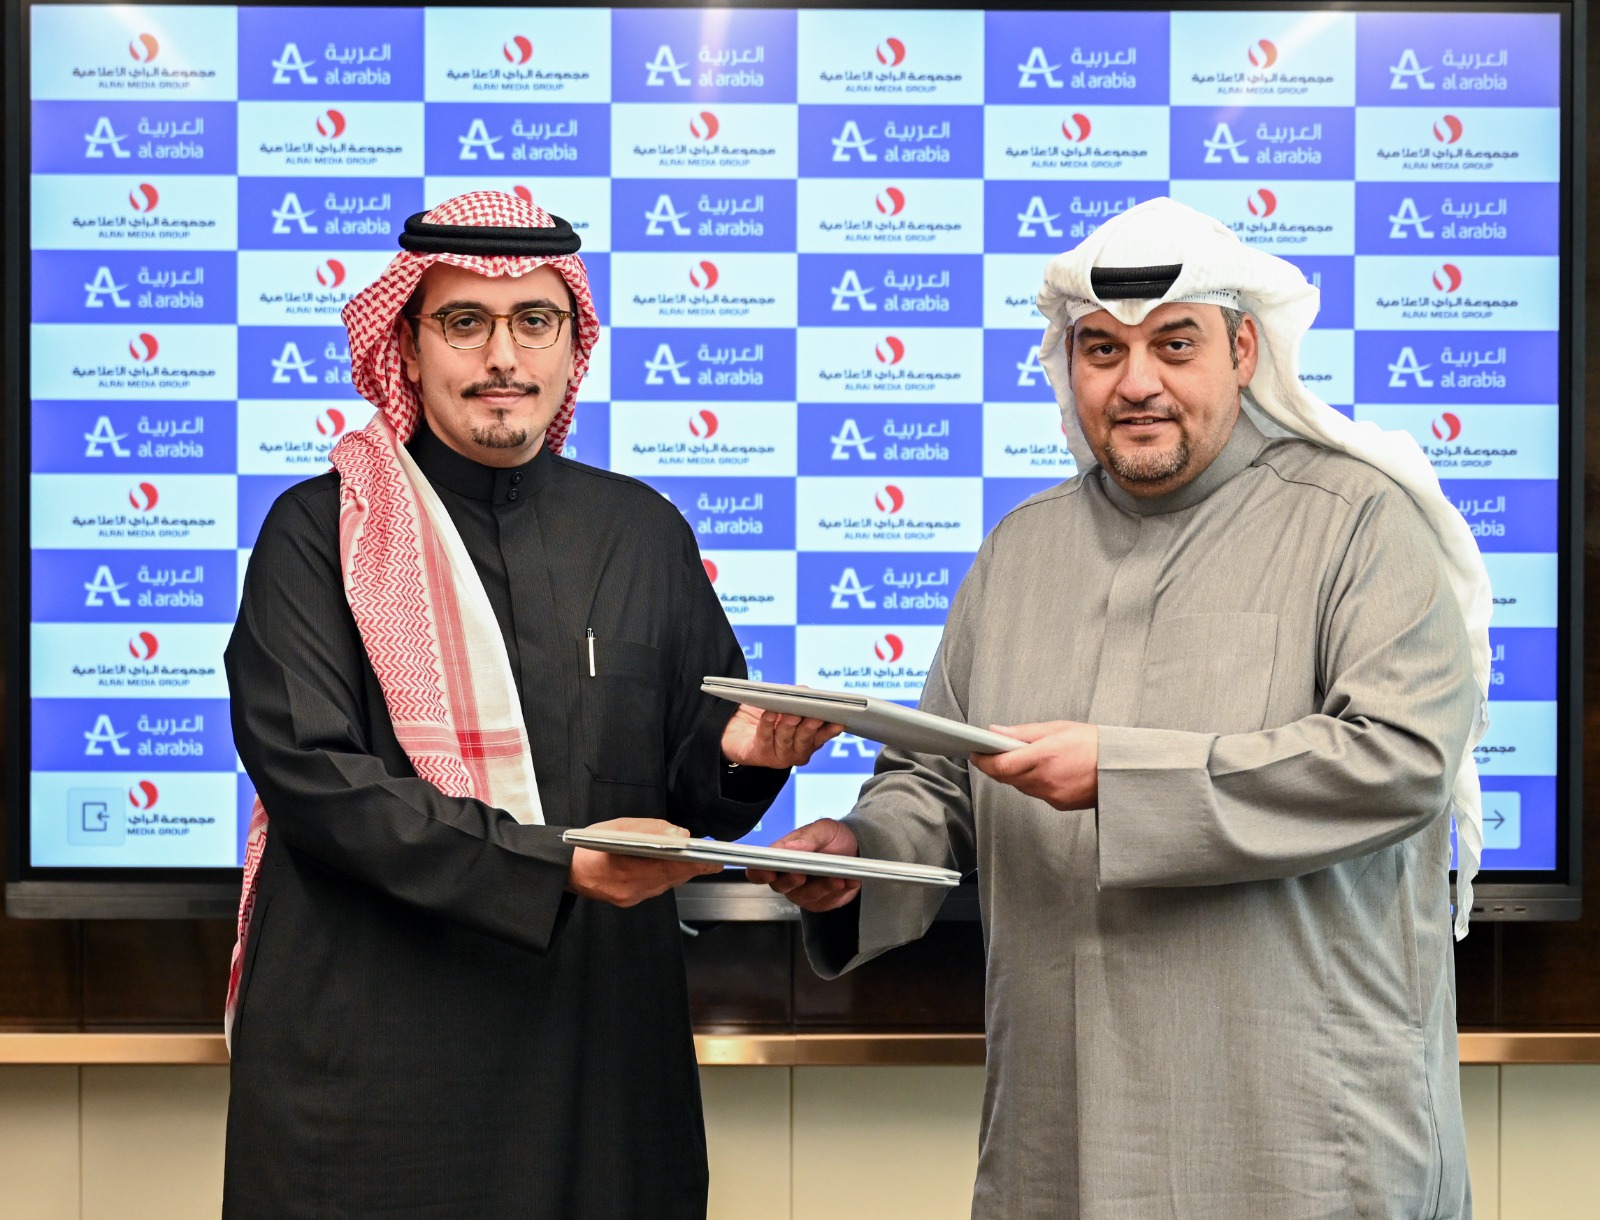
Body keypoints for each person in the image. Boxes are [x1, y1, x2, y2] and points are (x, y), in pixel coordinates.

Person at [751, 198, 1492, 1218]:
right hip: (1061, 1131)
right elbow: (938, 780)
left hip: (1300, 1137)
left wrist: (1120, 774)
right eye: (1102, 349)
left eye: (1174, 344)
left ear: (1243, 350)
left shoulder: (1360, 525)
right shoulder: (1021, 549)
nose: (1136, 381)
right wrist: (859, 854)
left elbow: (1401, 758)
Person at [221, 191, 836, 1219]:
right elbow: (319, 783)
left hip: (595, 1064)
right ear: (407, 344)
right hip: (373, 1068)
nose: (503, 356)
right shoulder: (319, 533)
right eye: (465, 322)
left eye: (533, 321)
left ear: (571, 341)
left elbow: (692, 794)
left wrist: (747, 753)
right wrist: (557, 864)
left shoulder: (640, 532)